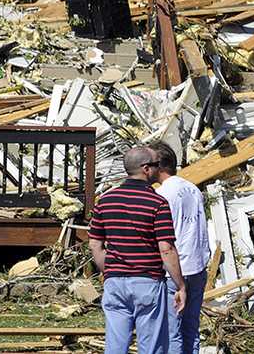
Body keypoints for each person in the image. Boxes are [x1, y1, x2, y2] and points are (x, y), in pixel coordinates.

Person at [88, 145, 186, 354]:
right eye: (156, 165)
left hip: (115, 282)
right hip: (147, 281)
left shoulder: (105, 200)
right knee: (151, 346)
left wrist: (109, 270)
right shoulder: (157, 202)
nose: (159, 169)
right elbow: (166, 249)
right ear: (146, 169)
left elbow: (95, 244)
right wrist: (180, 285)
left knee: (115, 346)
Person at [152, 142, 210, 354]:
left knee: (171, 332)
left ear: (159, 166)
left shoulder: (163, 195)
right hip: (197, 265)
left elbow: (164, 241)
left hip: (175, 271)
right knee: (191, 329)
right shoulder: (192, 188)